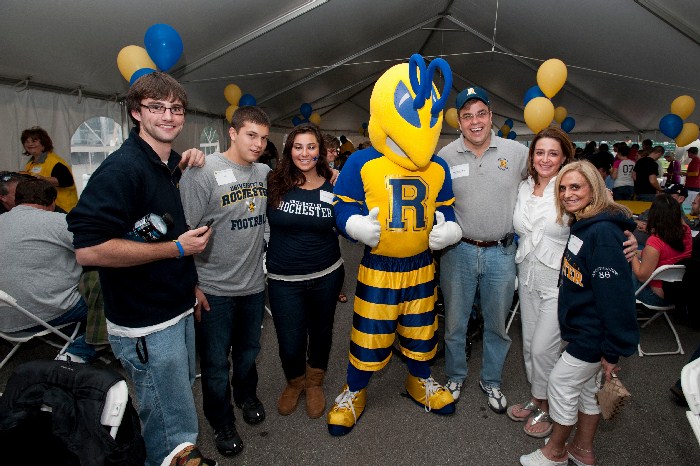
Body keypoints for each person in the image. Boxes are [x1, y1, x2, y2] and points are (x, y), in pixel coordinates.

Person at [67, 72, 214, 466]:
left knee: (177, 402)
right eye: (156, 107)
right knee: (170, 422)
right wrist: (177, 248)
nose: (168, 116)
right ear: (136, 112)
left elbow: (157, 225)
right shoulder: (122, 169)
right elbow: (89, 250)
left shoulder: (165, 165)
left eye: (176, 108)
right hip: (146, 322)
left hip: (175, 307)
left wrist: (190, 285)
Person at [328, 56, 461, 436]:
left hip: (421, 266)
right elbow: (343, 204)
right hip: (379, 266)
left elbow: (447, 209)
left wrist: (450, 230)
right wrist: (353, 225)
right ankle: (354, 389)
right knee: (369, 331)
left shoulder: (438, 167)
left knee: (422, 329)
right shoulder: (362, 161)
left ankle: (418, 379)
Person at [520, 161, 639, 466]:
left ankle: (556, 451)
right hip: (584, 328)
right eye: (562, 188)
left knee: (560, 384)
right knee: (587, 389)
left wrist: (613, 349)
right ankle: (582, 450)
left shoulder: (601, 232)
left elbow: (616, 298)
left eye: (576, 187)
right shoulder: (584, 223)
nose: (567, 194)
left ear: (594, 188)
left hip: (594, 332)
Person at [179, 105, 271, 457]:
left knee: (249, 353)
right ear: (232, 132)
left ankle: (247, 397)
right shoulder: (201, 171)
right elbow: (183, 233)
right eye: (251, 135)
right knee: (216, 364)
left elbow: (300, 178)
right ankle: (221, 420)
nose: (258, 143)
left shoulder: (263, 172)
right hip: (213, 289)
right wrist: (192, 285)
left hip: (252, 286)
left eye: (263, 137)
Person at [438, 86, 528, 413]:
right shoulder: (446, 156)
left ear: (491, 117)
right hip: (457, 252)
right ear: (458, 122)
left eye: (481, 114)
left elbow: (549, 186)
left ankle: (491, 380)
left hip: (501, 253)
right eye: (467, 115)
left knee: (497, 324)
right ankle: (456, 375)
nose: (475, 121)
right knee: (455, 323)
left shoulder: (518, 153)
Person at [266, 124, 344, 420]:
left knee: (321, 331)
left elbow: (349, 220)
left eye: (311, 147)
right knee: (289, 337)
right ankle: (294, 381)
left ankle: (314, 383)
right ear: (289, 150)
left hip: (327, 274)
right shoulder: (273, 180)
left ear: (320, 152)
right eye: (298, 147)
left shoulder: (334, 183)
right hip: (284, 279)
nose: (305, 153)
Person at [509, 127, 573, 437]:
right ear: (532, 156)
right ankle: (537, 399)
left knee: (545, 349)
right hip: (527, 275)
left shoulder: (569, 187)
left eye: (552, 153)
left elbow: (601, 213)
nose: (545, 158)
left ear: (563, 158)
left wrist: (625, 234)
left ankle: (552, 409)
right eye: (540, 152)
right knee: (530, 345)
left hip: (559, 282)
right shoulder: (523, 187)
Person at [0, 178, 97, 363]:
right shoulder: (59, 222)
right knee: (114, 292)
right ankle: (81, 350)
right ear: (52, 202)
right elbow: (97, 249)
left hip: (4, 319)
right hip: (45, 314)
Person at [631, 193, 692, 307]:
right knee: (638, 251)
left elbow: (641, 276)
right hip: (676, 293)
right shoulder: (686, 231)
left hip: (653, 297)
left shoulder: (655, 243)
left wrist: (631, 252)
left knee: (619, 269)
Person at [21, 126, 79, 212]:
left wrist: (44, 179)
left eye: (34, 141)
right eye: (27, 141)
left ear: (43, 144)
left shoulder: (55, 162)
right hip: (46, 209)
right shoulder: (30, 164)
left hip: (63, 209)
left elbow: (67, 181)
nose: (30, 144)